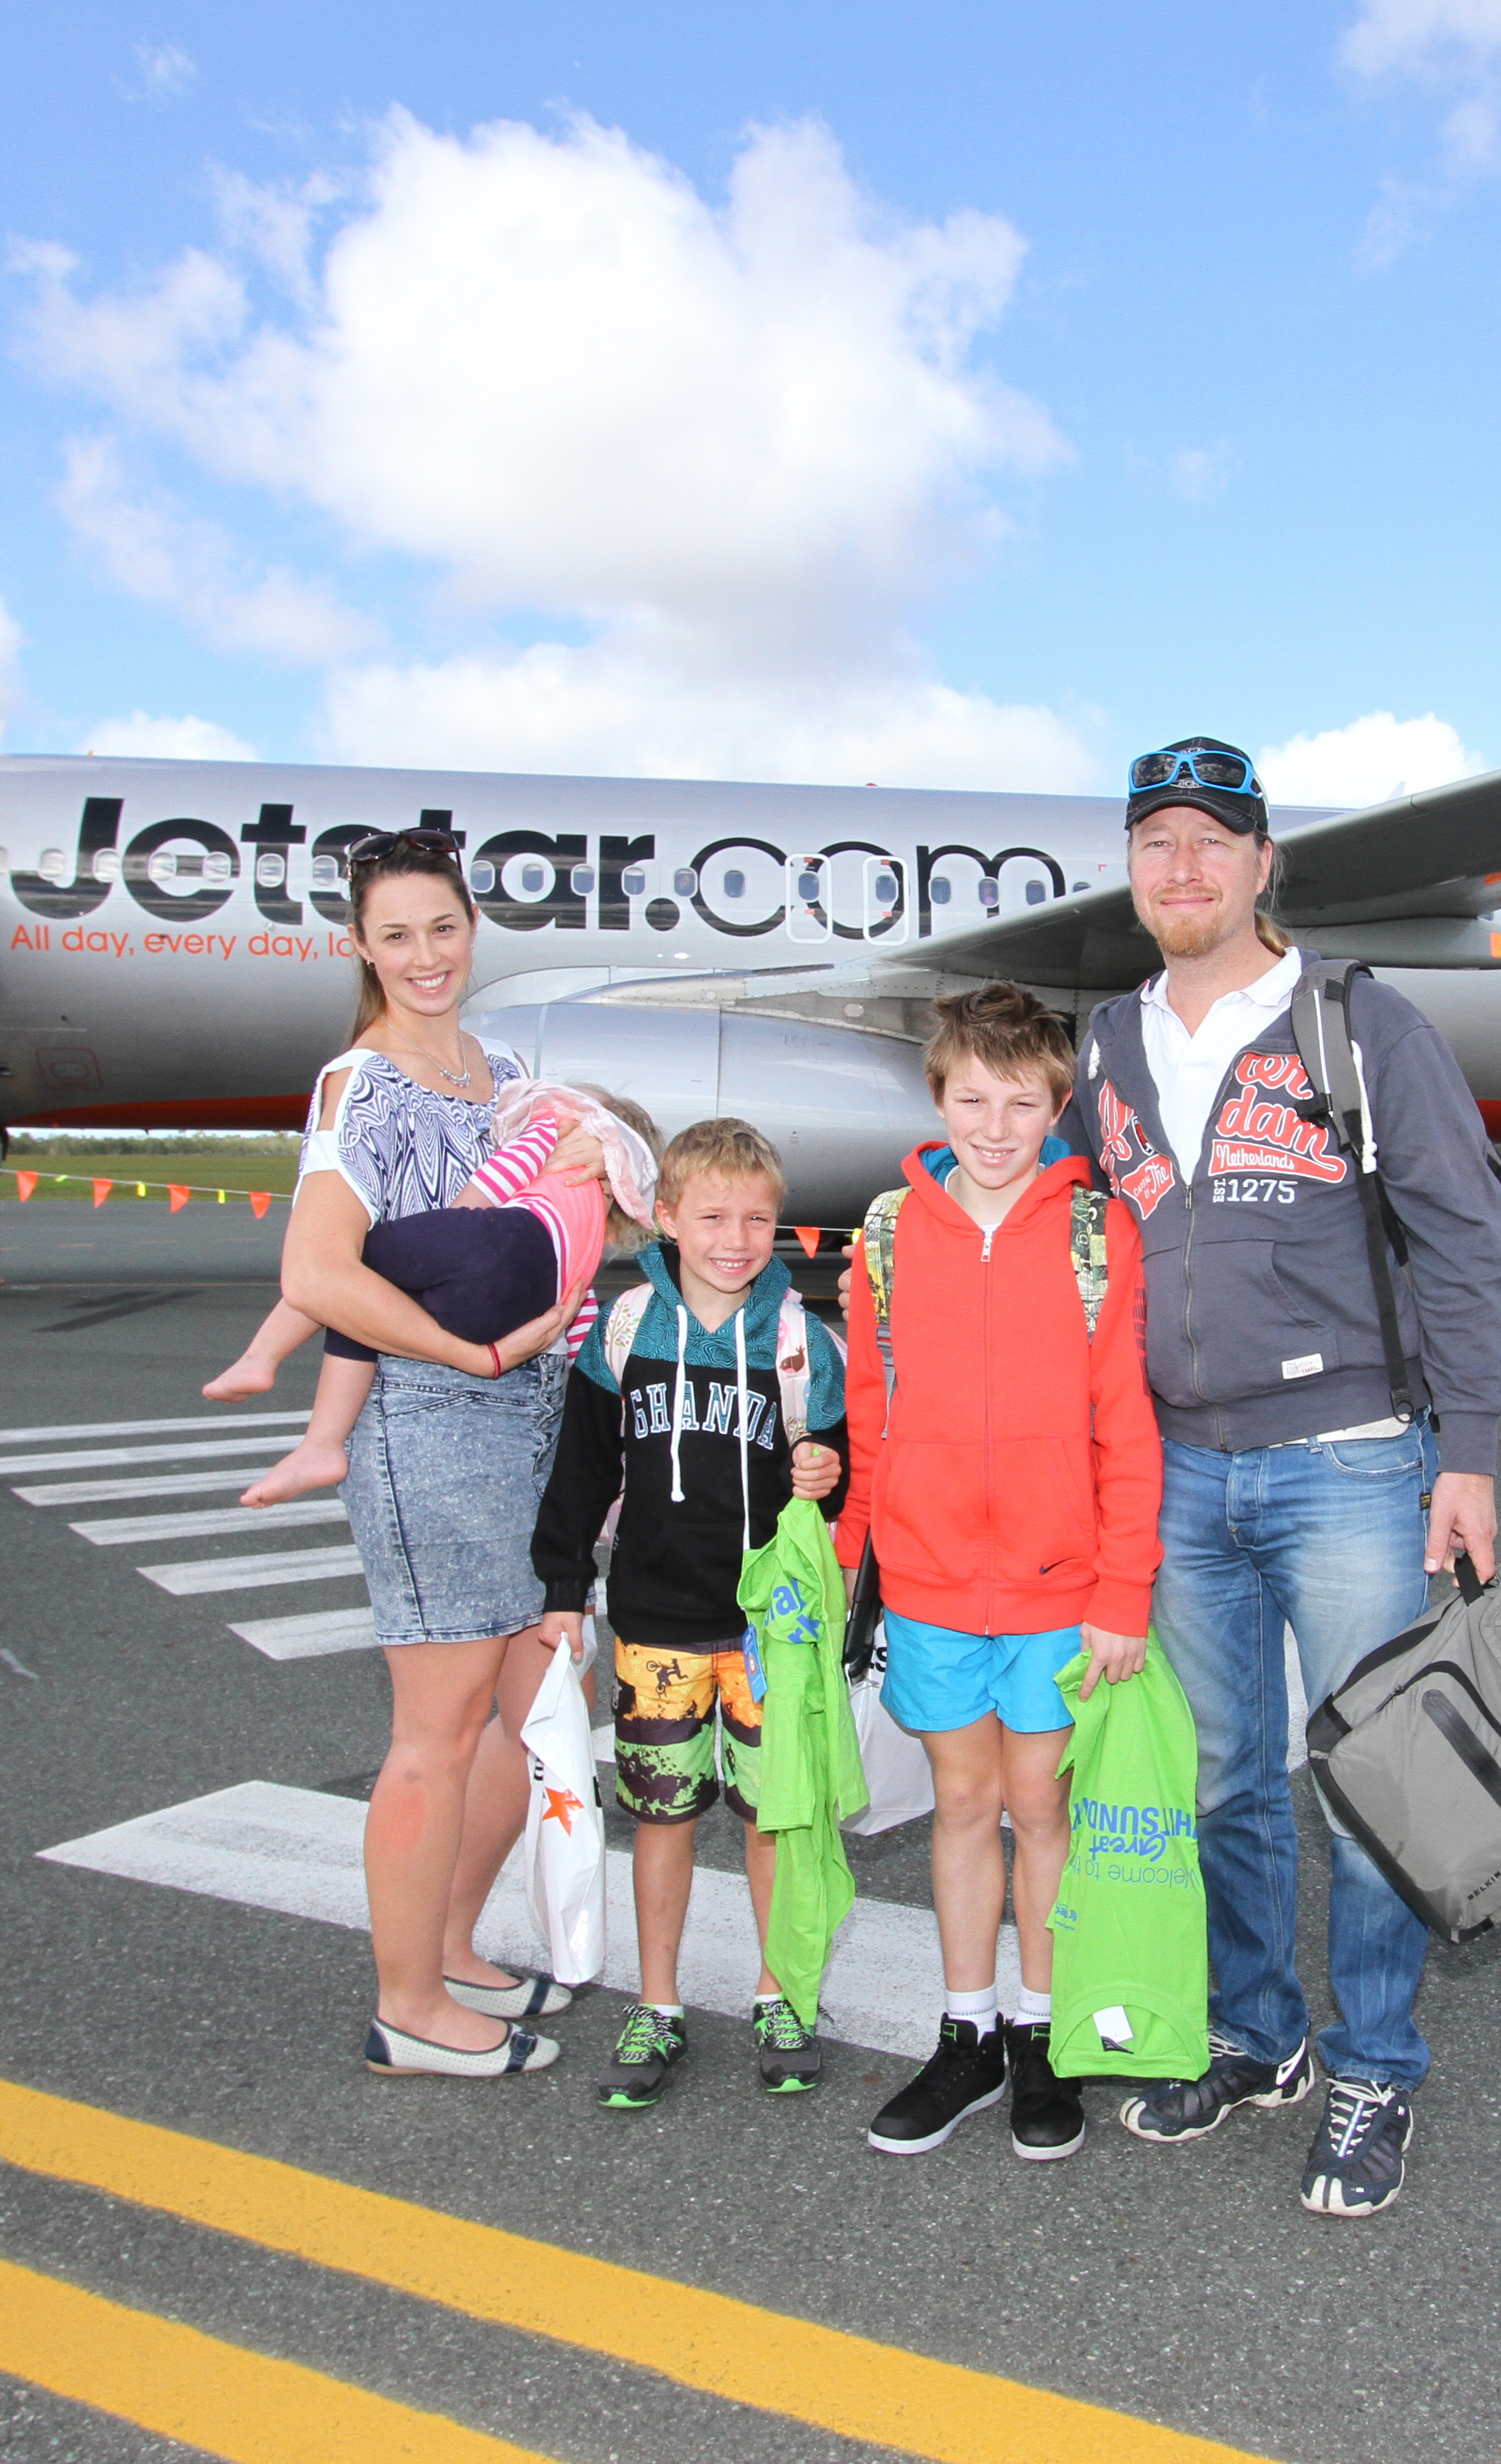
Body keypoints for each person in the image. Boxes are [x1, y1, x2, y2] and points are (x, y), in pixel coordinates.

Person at [1063, 737, 1501, 2219]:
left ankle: (1376, 2062)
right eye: (1157, 845)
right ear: (1133, 871)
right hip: (1182, 1472)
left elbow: (1463, 1237)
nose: (1183, 870)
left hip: (1349, 1463)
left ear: (1266, 867)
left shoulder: (1356, 1021)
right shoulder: (1107, 1045)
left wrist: (1471, 1457)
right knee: (1223, 1780)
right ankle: (1262, 2036)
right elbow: (1081, 1241)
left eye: (1213, 843)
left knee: (1369, 1779)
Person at [281, 828, 610, 2081]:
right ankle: (406, 2004)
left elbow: (562, 1220)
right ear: (360, 946)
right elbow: (316, 1275)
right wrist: (463, 1355)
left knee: (525, 1709)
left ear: (473, 927)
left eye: (443, 927)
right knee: (436, 1726)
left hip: (526, 1411)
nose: (425, 956)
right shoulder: (358, 1086)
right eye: (396, 934)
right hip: (432, 1416)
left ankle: (455, 1944)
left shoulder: (504, 1069)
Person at [834, 985, 1164, 2165]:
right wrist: (847, 1563)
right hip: (927, 1588)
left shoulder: (1097, 1235)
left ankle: (1042, 2032)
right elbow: (871, 1425)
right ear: (936, 1095)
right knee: (960, 1807)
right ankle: (965, 2033)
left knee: (1041, 1813)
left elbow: (1126, 1427)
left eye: (1018, 1101)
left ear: (1054, 1104)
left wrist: (1122, 1591)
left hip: (1055, 1592)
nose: (991, 1122)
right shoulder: (883, 1235)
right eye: (969, 1097)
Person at [532, 1117, 851, 2113]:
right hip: (655, 1626)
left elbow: (836, 1487)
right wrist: (559, 1592)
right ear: (664, 1216)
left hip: (766, 1635)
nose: (736, 1236)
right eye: (711, 1215)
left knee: (770, 1818)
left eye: (758, 1217)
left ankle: (777, 1992)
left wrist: (825, 1476)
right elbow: (580, 1473)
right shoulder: (626, 1329)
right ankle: (658, 2003)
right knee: (662, 1816)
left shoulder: (801, 1340)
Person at [207, 1079, 651, 1509]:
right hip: (517, 1314)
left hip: (496, 1241)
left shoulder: (561, 1122)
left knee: (347, 1271)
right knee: (374, 1310)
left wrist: (457, 1223)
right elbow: (579, 1319)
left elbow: (506, 1169)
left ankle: (266, 1364)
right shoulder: (590, 1239)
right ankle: (321, 1446)